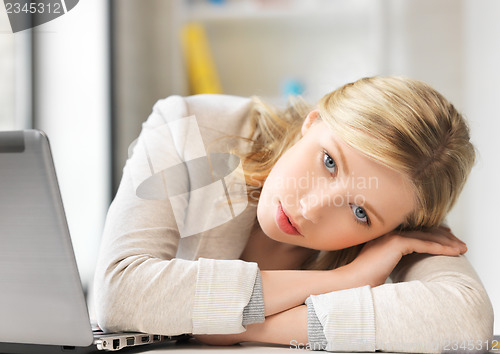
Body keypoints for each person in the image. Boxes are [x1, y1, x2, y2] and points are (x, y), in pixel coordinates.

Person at [93, 76, 494, 353]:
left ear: (394, 228)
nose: (312, 207)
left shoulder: (402, 221)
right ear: (313, 121)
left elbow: (465, 322)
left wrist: (243, 327)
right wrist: (343, 280)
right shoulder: (191, 128)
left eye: (359, 211)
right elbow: (120, 294)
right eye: (329, 162)